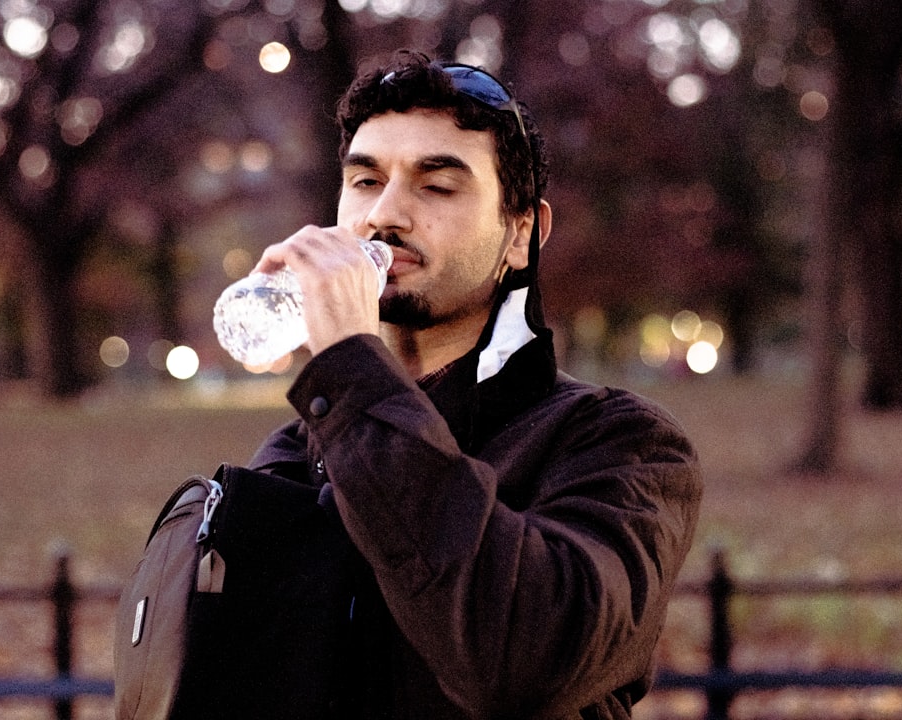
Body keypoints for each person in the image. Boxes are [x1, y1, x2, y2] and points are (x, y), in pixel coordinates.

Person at [243, 50, 702, 719]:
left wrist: (350, 363)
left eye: (437, 185)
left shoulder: (620, 446)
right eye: (366, 182)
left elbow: (524, 664)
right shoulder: (298, 454)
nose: (386, 217)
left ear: (521, 234)